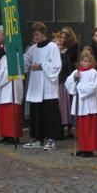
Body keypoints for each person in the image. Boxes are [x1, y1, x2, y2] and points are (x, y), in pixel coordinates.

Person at [22, 22, 62, 151]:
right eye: (34, 35)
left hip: (48, 87)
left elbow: (56, 66)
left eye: (37, 34)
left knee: (49, 114)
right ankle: (38, 139)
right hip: (35, 86)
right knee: (36, 114)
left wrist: (41, 66)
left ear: (44, 33)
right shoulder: (33, 49)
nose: (36, 37)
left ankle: (51, 140)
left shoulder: (52, 47)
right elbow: (25, 62)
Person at [65, 47, 97, 157]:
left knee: (90, 128)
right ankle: (82, 147)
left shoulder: (94, 73)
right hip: (80, 105)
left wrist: (79, 87)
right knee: (81, 128)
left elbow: (93, 88)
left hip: (90, 105)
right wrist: (74, 79)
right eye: (84, 61)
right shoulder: (76, 72)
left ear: (92, 61)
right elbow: (68, 84)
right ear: (80, 61)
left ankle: (89, 149)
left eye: (88, 61)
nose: (86, 63)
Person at [0, 36, 24, 145]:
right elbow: (1, 68)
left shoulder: (15, 57)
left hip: (12, 88)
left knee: (11, 113)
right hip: (4, 89)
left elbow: (8, 73)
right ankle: (5, 134)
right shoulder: (4, 57)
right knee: (4, 113)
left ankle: (13, 136)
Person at [53, 33, 73, 139]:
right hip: (53, 85)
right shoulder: (49, 57)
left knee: (64, 107)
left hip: (63, 85)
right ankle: (57, 130)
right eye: (56, 44)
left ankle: (66, 129)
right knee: (56, 108)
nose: (58, 46)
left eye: (60, 45)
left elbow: (69, 71)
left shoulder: (65, 57)